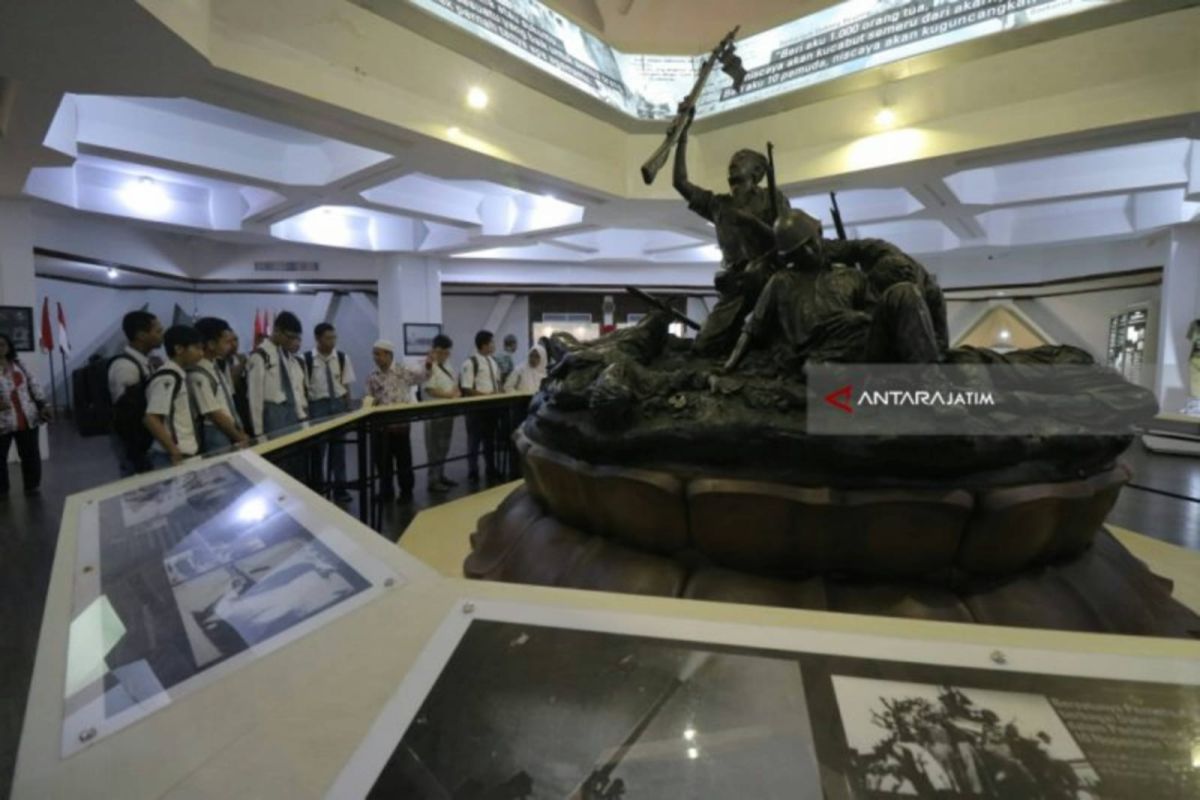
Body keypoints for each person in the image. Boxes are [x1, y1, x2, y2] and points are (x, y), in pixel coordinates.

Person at [723, 209, 943, 372]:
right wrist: (730, 365)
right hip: (825, 356)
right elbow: (753, 328)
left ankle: (933, 385)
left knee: (905, 291)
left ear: (819, 234)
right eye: (800, 251)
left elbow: (876, 314)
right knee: (819, 371)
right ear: (789, 257)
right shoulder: (781, 282)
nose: (810, 252)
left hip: (865, 347)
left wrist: (859, 318)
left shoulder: (849, 276)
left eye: (811, 243)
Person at [673, 110, 789, 356]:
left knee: (776, 342)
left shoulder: (773, 199)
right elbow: (680, 183)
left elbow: (785, 243)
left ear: (757, 173)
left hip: (768, 279)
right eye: (733, 161)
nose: (734, 162)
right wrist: (682, 136)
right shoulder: (719, 205)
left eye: (741, 158)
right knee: (705, 346)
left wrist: (752, 223)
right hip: (735, 283)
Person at [366, 339, 429, 501]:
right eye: (374, 354)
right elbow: (369, 398)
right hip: (380, 427)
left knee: (404, 462)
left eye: (379, 354)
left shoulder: (403, 371)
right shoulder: (372, 376)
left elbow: (423, 377)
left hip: (400, 425)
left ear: (389, 355)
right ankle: (386, 492)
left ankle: (406, 492)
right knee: (383, 463)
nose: (375, 358)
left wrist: (428, 365)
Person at [304, 322, 356, 503]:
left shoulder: (341, 358)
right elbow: (303, 388)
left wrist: (349, 407)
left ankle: (340, 489)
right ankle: (318, 488)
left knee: (339, 449)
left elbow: (346, 384)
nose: (332, 341)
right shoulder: (307, 360)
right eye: (328, 338)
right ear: (317, 338)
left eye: (334, 337)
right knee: (318, 451)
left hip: (338, 404)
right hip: (317, 406)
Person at [109, 310, 164, 475]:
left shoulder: (148, 362)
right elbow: (128, 416)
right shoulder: (125, 367)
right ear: (141, 335)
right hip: (135, 442)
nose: (162, 335)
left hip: (147, 438)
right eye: (158, 331)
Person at [144, 325, 204, 469]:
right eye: (196, 348)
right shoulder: (168, 377)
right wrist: (174, 451)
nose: (201, 353)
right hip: (172, 455)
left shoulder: (179, 375)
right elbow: (151, 418)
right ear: (179, 349)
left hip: (185, 450)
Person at [0, 333, 51, 496]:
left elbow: (34, 384)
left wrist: (43, 405)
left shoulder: (19, 364)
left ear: (8, 347)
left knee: (30, 455)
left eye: (2, 344)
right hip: (2, 421)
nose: (0, 348)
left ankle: (32, 486)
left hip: (27, 417)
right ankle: (2, 491)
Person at [189, 317, 248, 453]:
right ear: (211, 344)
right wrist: (239, 436)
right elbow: (215, 414)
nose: (230, 345)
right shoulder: (199, 374)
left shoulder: (216, 366)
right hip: (216, 432)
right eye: (226, 342)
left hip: (229, 429)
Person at [246, 311, 304, 437]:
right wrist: (258, 431)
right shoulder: (260, 355)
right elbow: (255, 396)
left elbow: (293, 386)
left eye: (295, 337)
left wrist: (300, 414)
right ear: (277, 330)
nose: (292, 341)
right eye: (289, 337)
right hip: (272, 412)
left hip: (290, 410)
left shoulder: (284, 354)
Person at [460, 329, 503, 482]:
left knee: (489, 441)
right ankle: (473, 471)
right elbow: (466, 388)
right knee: (474, 441)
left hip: (492, 408)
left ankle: (490, 468)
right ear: (484, 344)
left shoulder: (493, 362)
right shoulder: (471, 362)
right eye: (492, 342)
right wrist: (486, 397)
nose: (494, 345)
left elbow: (497, 383)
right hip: (476, 409)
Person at [422, 334, 460, 493]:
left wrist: (455, 393)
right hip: (434, 412)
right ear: (435, 350)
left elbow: (453, 384)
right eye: (443, 352)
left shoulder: (448, 365)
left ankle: (441, 474)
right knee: (434, 448)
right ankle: (433, 480)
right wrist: (449, 396)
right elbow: (430, 389)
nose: (445, 355)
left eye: (447, 352)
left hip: (447, 411)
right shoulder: (429, 366)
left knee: (444, 446)